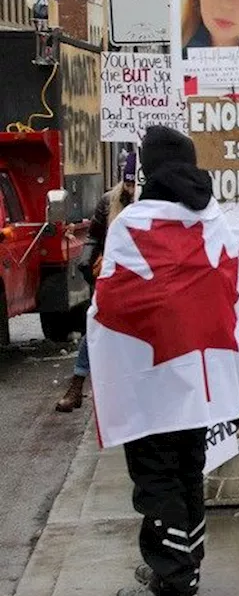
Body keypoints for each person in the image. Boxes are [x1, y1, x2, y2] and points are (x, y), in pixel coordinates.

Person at [90, 126, 239, 596]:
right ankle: (185, 558)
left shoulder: (133, 222)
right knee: (186, 467)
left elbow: (113, 300)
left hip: (152, 375)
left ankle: (174, 582)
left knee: (156, 475)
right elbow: (229, 288)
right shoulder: (214, 219)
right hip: (201, 376)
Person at [54, 152, 137, 413]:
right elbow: (94, 236)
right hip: (112, 276)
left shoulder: (150, 203)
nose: (132, 189)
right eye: (129, 183)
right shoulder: (109, 201)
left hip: (140, 278)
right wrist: (86, 262)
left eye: (136, 183)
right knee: (95, 326)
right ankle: (77, 385)